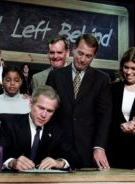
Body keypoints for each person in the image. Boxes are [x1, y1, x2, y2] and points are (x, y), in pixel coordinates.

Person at [46, 33, 112, 169]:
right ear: (74, 49)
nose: (82, 59)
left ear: (94, 56)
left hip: (87, 152)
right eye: (80, 53)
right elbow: (48, 113)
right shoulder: (55, 76)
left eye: (88, 56)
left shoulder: (102, 80)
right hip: (58, 151)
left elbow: (104, 117)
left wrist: (99, 146)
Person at [0, 86, 82, 171]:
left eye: (49, 111)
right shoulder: (11, 124)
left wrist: (60, 163)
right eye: (41, 108)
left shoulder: (58, 129)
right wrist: (12, 163)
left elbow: (76, 159)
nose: (44, 115)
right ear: (31, 103)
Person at [107, 46, 135, 170]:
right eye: (126, 67)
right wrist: (121, 126)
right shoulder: (112, 89)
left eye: (134, 68)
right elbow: (105, 120)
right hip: (114, 156)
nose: (128, 72)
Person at [0, 66, 30, 146]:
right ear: (2, 81)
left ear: (21, 82)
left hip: (23, 150)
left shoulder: (29, 103)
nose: (12, 83)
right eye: (8, 80)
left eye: (16, 80)